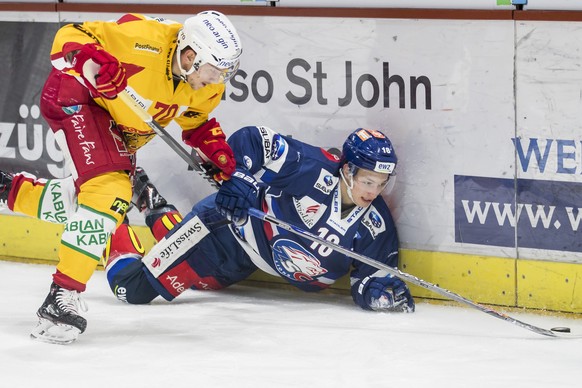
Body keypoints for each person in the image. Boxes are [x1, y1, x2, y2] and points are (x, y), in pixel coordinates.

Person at [0, 10, 243, 344]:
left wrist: (211, 147)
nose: (217, 80)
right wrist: (94, 61)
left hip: (117, 127)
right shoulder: (142, 41)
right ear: (190, 55)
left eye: (225, 73)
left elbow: (195, 120)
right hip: (78, 99)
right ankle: (61, 296)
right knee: (109, 191)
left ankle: (8, 190)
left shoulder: (204, 86)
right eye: (214, 70)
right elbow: (68, 37)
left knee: (95, 207)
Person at [104, 126, 415, 313]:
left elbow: (372, 278)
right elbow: (254, 139)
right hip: (223, 226)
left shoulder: (376, 222)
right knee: (131, 290)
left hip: (246, 263)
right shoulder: (312, 168)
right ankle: (109, 215)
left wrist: (379, 294)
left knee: (199, 282)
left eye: (382, 182)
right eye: (368, 181)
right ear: (348, 170)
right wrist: (241, 180)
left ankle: (149, 201)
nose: (374, 191)